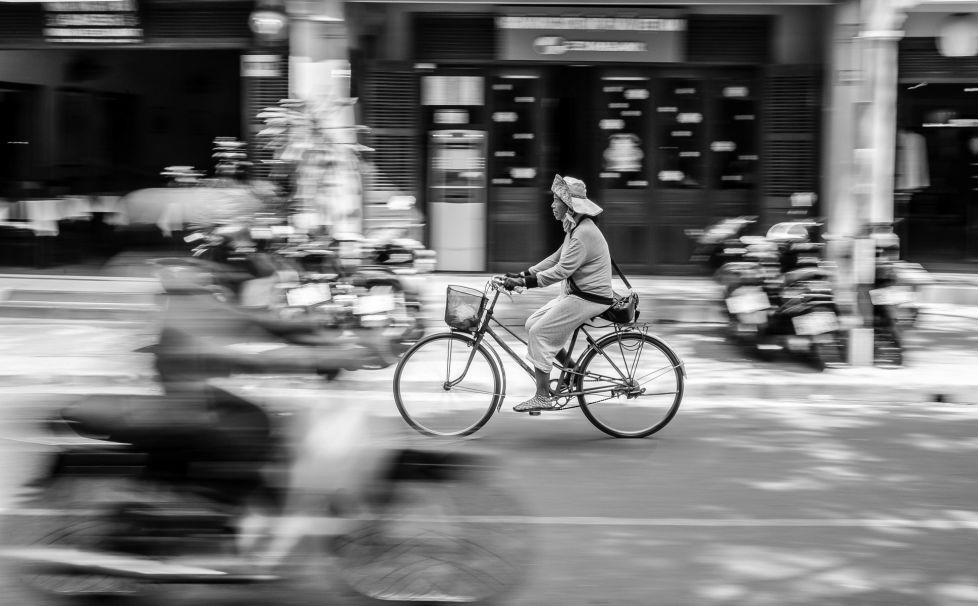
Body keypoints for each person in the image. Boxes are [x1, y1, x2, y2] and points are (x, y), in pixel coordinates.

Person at [500, 175, 614, 412]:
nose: (552, 205)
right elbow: (556, 258)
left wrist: (525, 282)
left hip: (589, 298)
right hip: (577, 294)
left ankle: (542, 397)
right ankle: (573, 374)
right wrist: (523, 274)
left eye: (556, 200)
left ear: (569, 204)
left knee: (540, 333)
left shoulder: (583, 233)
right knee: (533, 324)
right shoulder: (576, 228)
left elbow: (561, 270)